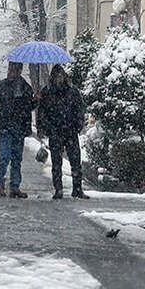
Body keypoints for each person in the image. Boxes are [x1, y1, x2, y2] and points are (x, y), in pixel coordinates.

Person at [37, 65, 89, 200]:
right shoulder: (47, 92)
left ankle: (77, 189)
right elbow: (42, 112)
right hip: (55, 132)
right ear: (53, 77)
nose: (59, 79)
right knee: (56, 162)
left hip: (70, 131)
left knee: (75, 161)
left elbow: (80, 109)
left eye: (61, 76)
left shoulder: (72, 91)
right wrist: (44, 128)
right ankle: (58, 189)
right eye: (56, 76)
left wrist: (78, 125)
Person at [0, 61, 36, 199]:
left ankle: (15, 186)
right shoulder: (0, 85)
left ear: (19, 71)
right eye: (10, 69)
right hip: (5, 128)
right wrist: (0, 116)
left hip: (19, 128)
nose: (11, 72)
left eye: (14, 70)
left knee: (17, 158)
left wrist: (35, 100)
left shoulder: (25, 87)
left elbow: (29, 106)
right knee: (5, 156)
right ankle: (0, 184)